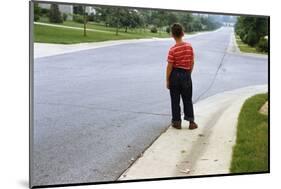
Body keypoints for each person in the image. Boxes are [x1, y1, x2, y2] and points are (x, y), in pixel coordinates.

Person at [166, 23, 198, 130]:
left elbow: (169, 66)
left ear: (172, 35)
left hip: (174, 75)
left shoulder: (172, 50)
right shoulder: (189, 47)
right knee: (187, 99)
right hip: (186, 74)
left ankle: (177, 122)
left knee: (175, 100)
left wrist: (167, 80)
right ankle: (191, 122)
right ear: (183, 33)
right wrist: (188, 73)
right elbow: (192, 62)